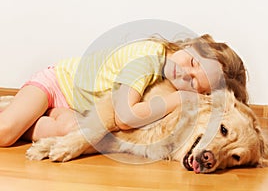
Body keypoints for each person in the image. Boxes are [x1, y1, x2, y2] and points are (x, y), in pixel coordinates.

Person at [0, 34, 248, 147]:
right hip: (56, 83)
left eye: (194, 82)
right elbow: (125, 118)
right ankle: (21, 112)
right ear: (194, 44)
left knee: (72, 130)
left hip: (77, 106)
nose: (185, 74)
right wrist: (183, 96)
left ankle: (31, 113)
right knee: (4, 135)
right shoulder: (147, 58)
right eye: (193, 62)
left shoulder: (164, 77)